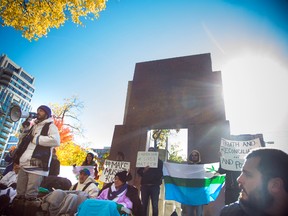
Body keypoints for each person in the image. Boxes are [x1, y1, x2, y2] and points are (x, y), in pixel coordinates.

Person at [12, 105, 60, 215]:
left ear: (47, 114)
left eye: (41, 111)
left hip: (37, 163)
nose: (38, 112)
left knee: (30, 195)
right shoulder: (34, 126)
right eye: (38, 110)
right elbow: (22, 142)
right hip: (25, 162)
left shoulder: (51, 126)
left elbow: (56, 141)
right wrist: (25, 128)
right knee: (20, 193)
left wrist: (36, 138)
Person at [220, 148, 288, 216]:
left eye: (248, 175)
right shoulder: (230, 213)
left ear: (275, 185)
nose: (239, 179)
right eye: (242, 172)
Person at [137, 147, 163, 216]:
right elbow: (139, 171)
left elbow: (161, 173)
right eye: (149, 151)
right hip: (145, 186)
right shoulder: (144, 161)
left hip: (154, 186)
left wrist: (153, 177)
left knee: (155, 205)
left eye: (152, 151)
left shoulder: (159, 162)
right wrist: (144, 171)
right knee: (143, 205)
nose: (151, 152)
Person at [181, 150, 203, 216]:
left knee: (199, 213)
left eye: (195, 155)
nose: (194, 157)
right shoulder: (188, 166)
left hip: (199, 192)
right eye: (192, 155)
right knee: (190, 212)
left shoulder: (202, 166)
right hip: (189, 192)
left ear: (198, 156)